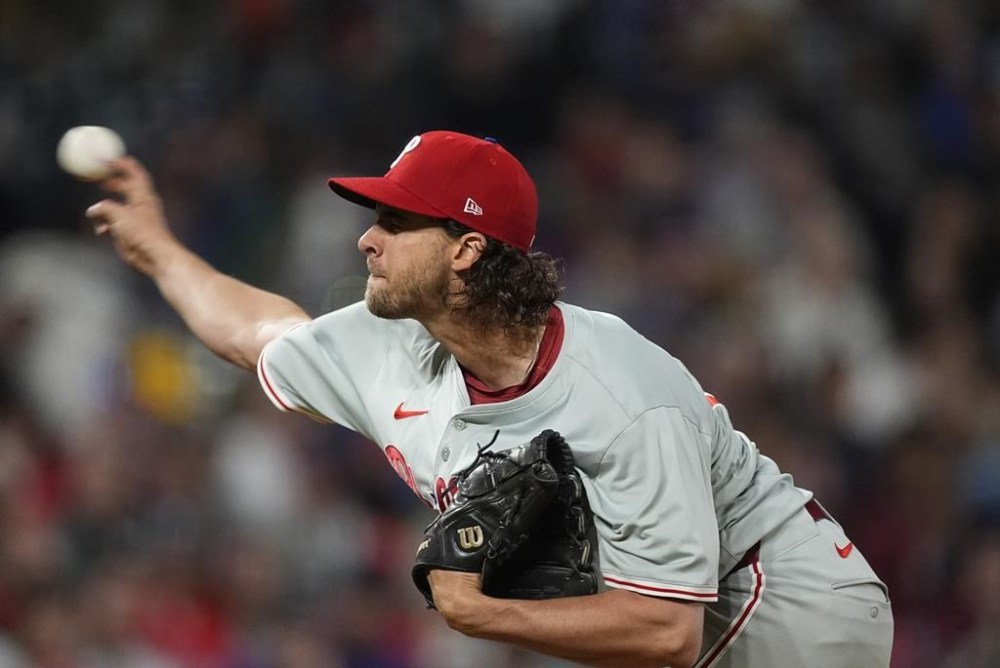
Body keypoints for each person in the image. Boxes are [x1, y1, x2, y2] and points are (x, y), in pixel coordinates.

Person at [86, 130, 894, 668]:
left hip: (789, 608)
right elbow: (256, 333)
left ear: (467, 250)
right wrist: (158, 252)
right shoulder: (389, 342)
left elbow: (667, 632)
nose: (368, 236)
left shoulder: (617, 396)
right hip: (678, 619)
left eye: (397, 219)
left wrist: (479, 614)